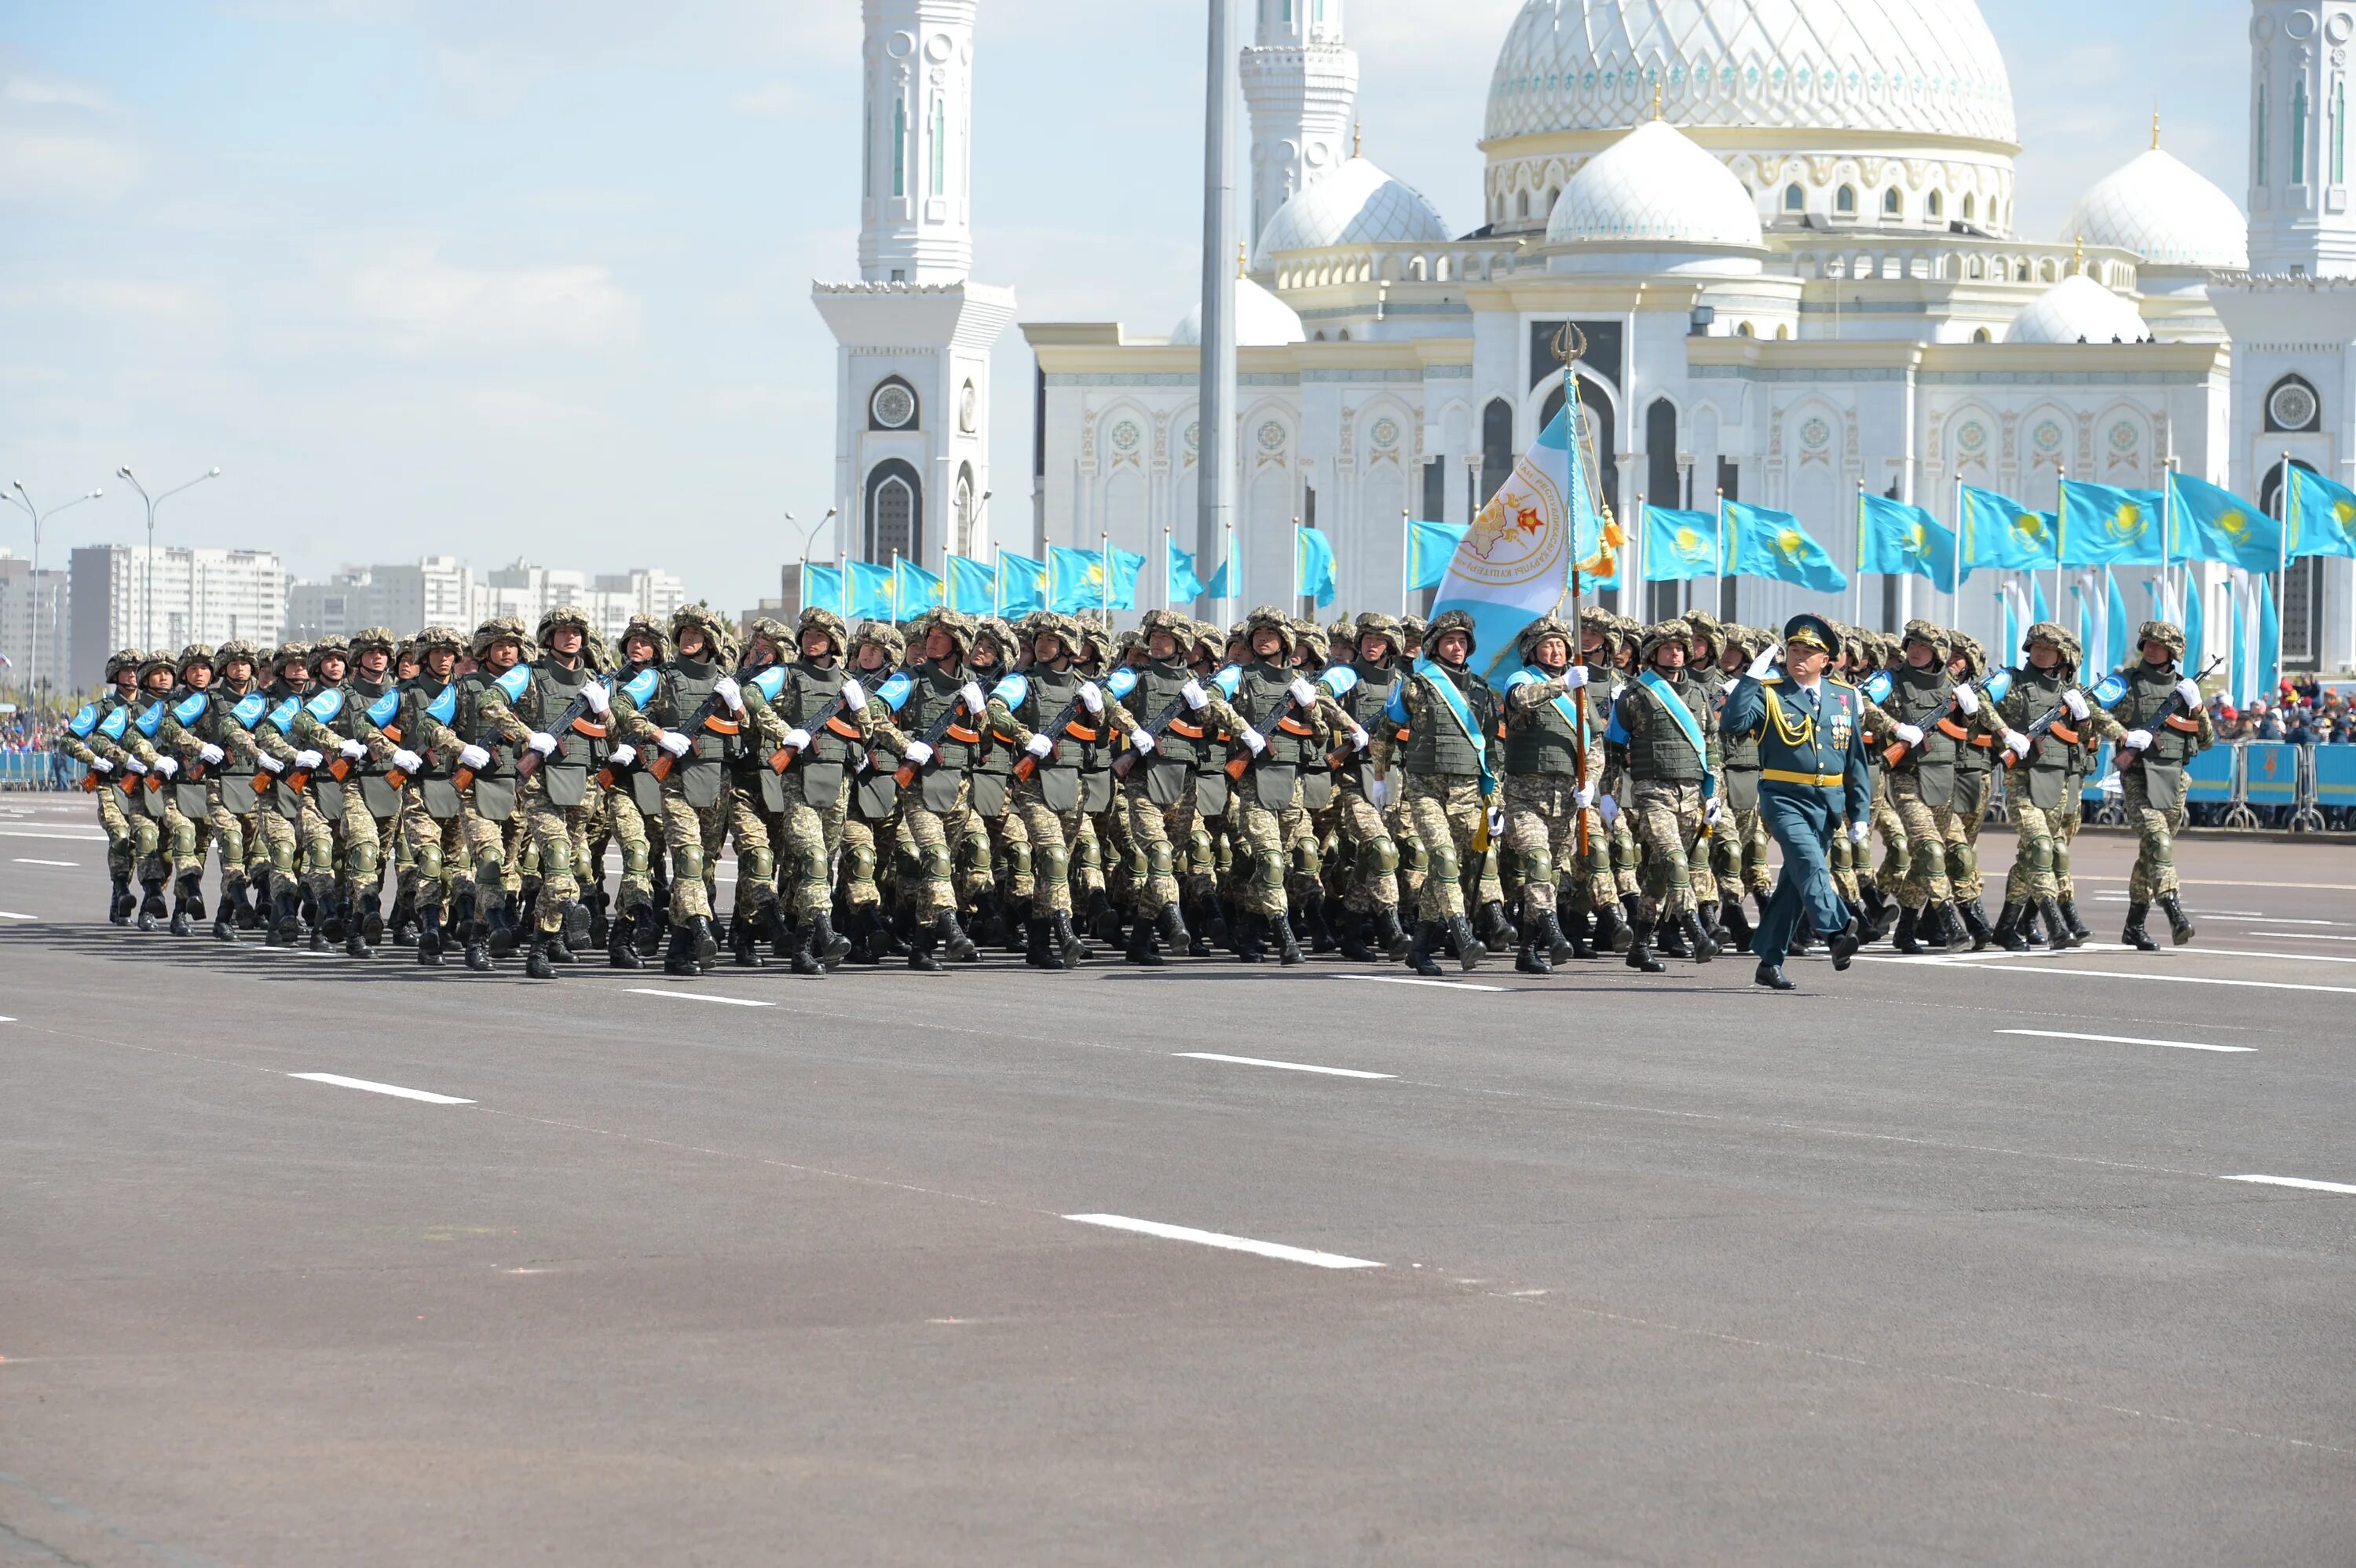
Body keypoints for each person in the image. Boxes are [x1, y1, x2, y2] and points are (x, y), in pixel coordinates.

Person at [1718, 614, 1869, 990]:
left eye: (1808, 652)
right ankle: (1836, 931)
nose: (1799, 657)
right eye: (1794, 650)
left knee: (1795, 883)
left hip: (1828, 802)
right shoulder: (1770, 692)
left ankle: (1769, 960)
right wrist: (1751, 678)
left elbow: (1855, 761)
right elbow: (1733, 724)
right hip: (1784, 798)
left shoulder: (1844, 697)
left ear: (1827, 660)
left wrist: (1860, 812)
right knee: (1809, 861)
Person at [1370, 607, 1493, 977]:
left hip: (1468, 790)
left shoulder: (1481, 690)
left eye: (1461, 641)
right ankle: (1462, 936)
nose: (1456, 647)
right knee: (1443, 859)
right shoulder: (1416, 686)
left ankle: (1420, 948)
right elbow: (1386, 733)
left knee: (1455, 869)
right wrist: (1380, 777)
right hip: (1426, 789)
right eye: (1448, 641)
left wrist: (1494, 798)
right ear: (1434, 646)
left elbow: (1493, 746)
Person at [1605, 620, 1719, 971]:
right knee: (1674, 860)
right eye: (1669, 647)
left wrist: (1714, 794)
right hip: (1652, 791)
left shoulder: (1698, 695)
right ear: (1653, 653)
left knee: (1657, 875)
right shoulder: (1636, 695)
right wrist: (1608, 795)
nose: (1676, 653)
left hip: (1691, 794)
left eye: (1681, 648)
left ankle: (1639, 944)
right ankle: (1695, 929)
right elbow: (1613, 747)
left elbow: (1711, 748)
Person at [2105, 619, 2213, 948]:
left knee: (2150, 853)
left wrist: (2197, 706)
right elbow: (2094, 714)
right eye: (2148, 644)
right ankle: (2175, 913)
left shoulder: (2184, 690)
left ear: (2173, 653)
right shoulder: (2125, 683)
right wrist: (2123, 735)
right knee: (2159, 846)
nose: (2151, 650)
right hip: (2138, 775)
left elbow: (2207, 740)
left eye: (2159, 646)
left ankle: (2134, 927)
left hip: (2174, 780)